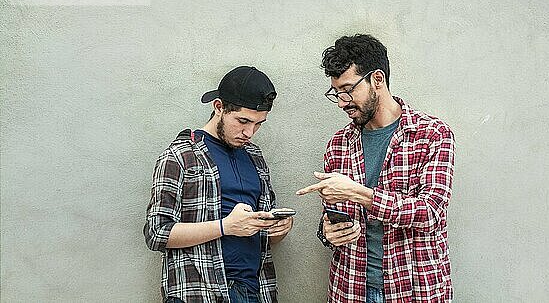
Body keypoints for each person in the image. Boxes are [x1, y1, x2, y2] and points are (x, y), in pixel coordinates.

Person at [297, 34, 455, 302]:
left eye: (348, 90)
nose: (341, 102)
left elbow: (429, 213)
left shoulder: (432, 134)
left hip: (414, 290)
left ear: (377, 80)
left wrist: (360, 193)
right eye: (336, 93)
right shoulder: (338, 144)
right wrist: (327, 231)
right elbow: (333, 216)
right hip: (349, 289)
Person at [144, 66, 293, 303]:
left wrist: (278, 230)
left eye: (258, 124)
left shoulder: (255, 157)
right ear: (219, 107)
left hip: (256, 291)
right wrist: (225, 226)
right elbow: (156, 233)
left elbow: (262, 233)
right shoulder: (180, 156)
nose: (249, 132)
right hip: (198, 293)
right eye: (243, 121)